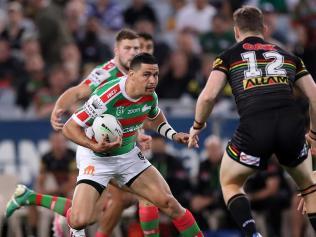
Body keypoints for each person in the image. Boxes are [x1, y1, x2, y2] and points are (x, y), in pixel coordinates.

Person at [5, 29, 158, 237]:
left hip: (119, 147)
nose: (134, 52)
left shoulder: (140, 76)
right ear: (117, 50)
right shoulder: (105, 72)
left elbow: (127, 114)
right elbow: (78, 91)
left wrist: (138, 133)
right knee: (141, 196)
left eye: (137, 48)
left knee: (93, 213)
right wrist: (58, 108)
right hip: (98, 149)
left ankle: (31, 198)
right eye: (128, 48)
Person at [188, 5, 316, 237]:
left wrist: (197, 126)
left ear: (236, 31)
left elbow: (207, 96)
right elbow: (314, 96)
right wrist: (314, 134)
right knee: (309, 187)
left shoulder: (228, 56)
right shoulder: (289, 56)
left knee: (229, 183)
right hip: (291, 126)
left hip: (255, 129)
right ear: (264, 29)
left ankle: (252, 233)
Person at [64, 53, 203, 237]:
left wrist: (174, 135)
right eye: (147, 74)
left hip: (127, 156)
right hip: (96, 158)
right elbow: (69, 128)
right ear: (131, 74)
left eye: (156, 75)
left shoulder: (150, 96)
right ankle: (72, 221)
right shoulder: (106, 98)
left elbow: (155, 117)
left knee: (169, 203)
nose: (152, 80)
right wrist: (93, 145)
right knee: (80, 220)